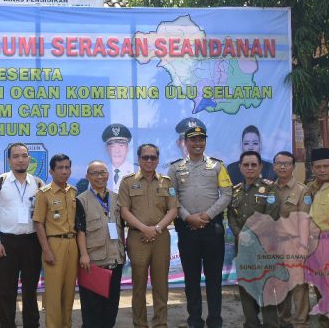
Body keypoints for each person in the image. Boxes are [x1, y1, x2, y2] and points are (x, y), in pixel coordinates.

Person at [169, 124, 232, 328]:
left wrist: (207, 215)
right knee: (191, 278)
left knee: (214, 278)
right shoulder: (175, 168)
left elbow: (227, 194)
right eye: (193, 140)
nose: (197, 143)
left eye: (201, 139)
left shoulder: (217, 166)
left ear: (205, 142)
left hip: (212, 230)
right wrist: (188, 217)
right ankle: (194, 320)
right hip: (187, 230)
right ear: (185, 143)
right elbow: (171, 197)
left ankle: (215, 320)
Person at [118, 143, 178, 328]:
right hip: (138, 238)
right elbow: (124, 211)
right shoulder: (127, 182)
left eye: (153, 157)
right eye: (146, 157)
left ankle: (160, 323)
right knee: (138, 285)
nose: (149, 161)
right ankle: (140, 324)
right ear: (139, 159)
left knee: (161, 285)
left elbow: (173, 210)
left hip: (161, 237)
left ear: (158, 160)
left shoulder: (167, 182)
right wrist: (144, 228)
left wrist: (156, 229)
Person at [0, 142, 44, 328]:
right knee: (6, 291)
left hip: (32, 242)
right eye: (16, 156)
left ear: (29, 158)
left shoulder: (38, 183)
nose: (21, 160)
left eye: (24, 156)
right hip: (6, 242)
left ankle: (32, 325)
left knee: (30, 290)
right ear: (9, 160)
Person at [227, 151, 281, 328]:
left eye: (253, 165)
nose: (250, 168)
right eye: (246, 165)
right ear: (240, 167)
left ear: (260, 167)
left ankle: (271, 324)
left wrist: (250, 235)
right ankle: (251, 323)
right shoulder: (236, 191)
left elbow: (271, 216)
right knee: (245, 287)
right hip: (242, 246)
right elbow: (231, 217)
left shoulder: (270, 189)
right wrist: (239, 234)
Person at [76, 160, 125, 328]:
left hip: (115, 260)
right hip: (93, 263)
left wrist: (123, 252)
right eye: (95, 173)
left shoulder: (117, 198)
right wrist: (83, 255)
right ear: (87, 176)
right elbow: (80, 230)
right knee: (92, 310)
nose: (99, 177)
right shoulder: (81, 200)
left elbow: (121, 227)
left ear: (108, 174)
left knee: (111, 308)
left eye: (103, 172)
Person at [33, 154, 78, 328]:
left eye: (67, 167)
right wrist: (46, 250)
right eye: (60, 168)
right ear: (51, 171)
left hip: (72, 244)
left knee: (69, 292)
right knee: (53, 293)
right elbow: (38, 223)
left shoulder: (73, 191)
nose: (64, 171)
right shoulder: (44, 193)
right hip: (54, 244)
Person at [271, 151, 311, 328]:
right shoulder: (269, 189)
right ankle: (284, 320)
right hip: (274, 245)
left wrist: (303, 246)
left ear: (293, 167)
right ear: (274, 166)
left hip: (294, 244)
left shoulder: (302, 190)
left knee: (298, 286)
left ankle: (300, 321)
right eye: (278, 163)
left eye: (286, 163)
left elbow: (305, 219)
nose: (282, 167)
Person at [304, 147, 329, 328]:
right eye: (318, 167)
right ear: (312, 168)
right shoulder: (308, 189)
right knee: (319, 286)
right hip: (314, 246)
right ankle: (325, 321)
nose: (322, 170)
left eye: (326, 166)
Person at [103, 123, 134, 192]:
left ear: (127, 148)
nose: (117, 150)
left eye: (121, 145)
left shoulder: (138, 172)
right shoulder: (99, 174)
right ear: (106, 149)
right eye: (112, 146)